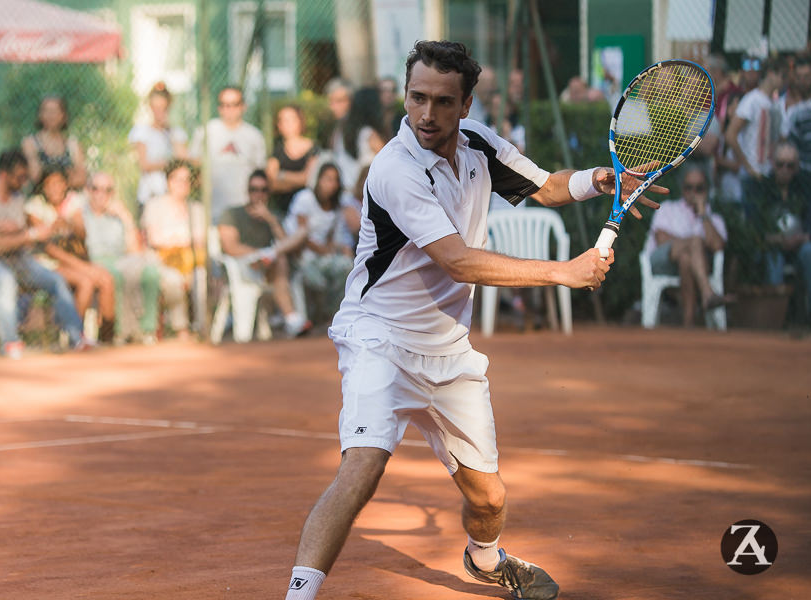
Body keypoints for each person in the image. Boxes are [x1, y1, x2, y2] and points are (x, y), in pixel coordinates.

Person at [283, 40, 663, 600]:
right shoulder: (394, 168)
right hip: (379, 338)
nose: (426, 114)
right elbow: (458, 261)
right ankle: (298, 594)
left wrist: (598, 179)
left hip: (448, 351)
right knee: (362, 467)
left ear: (465, 105)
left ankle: (485, 560)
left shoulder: (480, 144)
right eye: (416, 98)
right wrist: (564, 272)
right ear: (406, 95)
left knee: (489, 500)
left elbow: (544, 187)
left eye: (442, 101)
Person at [0, 149, 86, 359]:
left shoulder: (18, 198)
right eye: (19, 177)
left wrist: (18, 232)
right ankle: (10, 343)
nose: (24, 181)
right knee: (5, 280)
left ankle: (77, 338)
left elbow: (15, 239)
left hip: (15, 257)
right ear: (3, 174)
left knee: (55, 280)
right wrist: (29, 235)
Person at [72, 172, 184, 345]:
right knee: (117, 275)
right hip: (95, 262)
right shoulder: (80, 213)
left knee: (150, 272)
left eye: (107, 190)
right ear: (88, 190)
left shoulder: (117, 216)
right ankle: (121, 332)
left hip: (122, 260)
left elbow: (134, 250)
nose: (101, 194)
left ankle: (147, 329)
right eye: (95, 189)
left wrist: (125, 217)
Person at [25, 167, 116, 343]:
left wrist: (69, 223)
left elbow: (82, 233)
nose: (55, 188)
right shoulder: (34, 206)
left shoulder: (73, 201)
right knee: (86, 281)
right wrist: (82, 267)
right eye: (50, 185)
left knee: (106, 279)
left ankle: (107, 338)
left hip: (74, 260)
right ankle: (73, 335)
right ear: (43, 187)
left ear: (65, 185)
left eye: (59, 183)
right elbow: (48, 248)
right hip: (47, 264)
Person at [217, 170, 311, 338]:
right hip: (242, 267)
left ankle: (290, 318)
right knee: (278, 257)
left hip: (271, 268)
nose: (258, 194)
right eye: (254, 189)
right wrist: (260, 254)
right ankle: (291, 318)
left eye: (263, 190)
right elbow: (230, 247)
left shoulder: (273, 217)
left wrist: (271, 220)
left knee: (281, 256)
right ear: (248, 191)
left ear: (268, 192)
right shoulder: (232, 213)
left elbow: (288, 246)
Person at [643, 166, 733, 327]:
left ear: (707, 190)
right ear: (682, 189)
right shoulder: (668, 208)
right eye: (689, 187)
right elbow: (662, 239)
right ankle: (707, 293)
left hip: (694, 266)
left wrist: (703, 214)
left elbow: (718, 246)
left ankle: (688, 325)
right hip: (662, 261)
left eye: (699, 188)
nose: (693, 192)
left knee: (685, 259)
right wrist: (694, 244)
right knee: (696, 242)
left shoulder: (714, 218)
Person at [743, 141, 811, 317]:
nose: (785, 169)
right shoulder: (761, 188)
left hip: (801, 244)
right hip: (771, 245)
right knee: (774, 259)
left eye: (790, 165)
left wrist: (801, 239)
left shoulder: (805, 187)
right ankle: (775, 318)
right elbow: (755, 230)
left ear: (797, 167)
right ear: (773, 164)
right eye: (781, 164)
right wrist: (778, 240)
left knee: (808, 252)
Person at [283, 162, 355, 321]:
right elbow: (300, 235)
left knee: (347, 266)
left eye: (335, 180)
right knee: (318, 281)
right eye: (328, 179)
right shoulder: (305, 198)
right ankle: (315, 318)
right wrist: (323, 251)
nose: (332, 184)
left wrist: (336, 251)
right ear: (318, 180)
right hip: (301, 257)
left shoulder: (337, 206)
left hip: (323, 257)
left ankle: (334, 317)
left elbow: (331, 238)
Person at [141, 160, 204, 340]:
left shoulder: (196, 208)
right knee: (174, 279)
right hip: (162, 261)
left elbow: (200, 240)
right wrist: (182, 241)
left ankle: (202, 328)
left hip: (190, 261)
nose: (182, 184)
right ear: (168, 181)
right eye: (177, 179)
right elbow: (155, 240)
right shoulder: (154, 205)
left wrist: (175, 240)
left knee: (201, 277)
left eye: (186, 180)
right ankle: (181, 328)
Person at [190, 86, 266, 222]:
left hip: (244, 212)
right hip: (211, 210)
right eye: (224, 105)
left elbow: (260, 175)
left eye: (234, 105)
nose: (229, 109)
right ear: (219, 108)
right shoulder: (205, 132)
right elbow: (194, 167)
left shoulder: (254, 136)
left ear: (243, 106)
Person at [128, 82, 189, 213]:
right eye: (156, 108)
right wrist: (170, 163)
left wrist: (169, 131)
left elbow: (182, 161)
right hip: (149, 194)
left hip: (172, 195)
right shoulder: (141, 132)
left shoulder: (176, 133)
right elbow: (145, 164)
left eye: (163, 108)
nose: (159, 112)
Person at [725, 58, 784, 185]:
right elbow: (731, 134)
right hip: (751, 174)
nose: (782, 81)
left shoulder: (775, 104)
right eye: (781, 76)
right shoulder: (752, 100)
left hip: (768, 172)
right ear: (770, 73)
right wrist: (747, 166)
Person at [21, 95, 87, 190]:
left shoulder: (72, 144)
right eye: (46, 111)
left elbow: (81, 179)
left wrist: (54, 183)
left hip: (67, 200)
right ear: (40, 114)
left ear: (63, 115)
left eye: (55, 111)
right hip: (39, 200)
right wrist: (67, 175)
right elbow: (35, 176)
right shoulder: (30, 143)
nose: (51, 115)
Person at [266, 104, 319, 217]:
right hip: (282, 211)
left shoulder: (313, 147)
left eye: (291, 120)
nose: (287, 124)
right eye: (283, 120)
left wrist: (281, 175)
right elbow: (271, 183)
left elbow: (308, 178)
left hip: (307, 213)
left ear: (300, 121)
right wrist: (298, 180)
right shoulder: (277, 150)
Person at [335, 86, 387, 191]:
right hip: (363, 194)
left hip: (344, 191)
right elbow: (389, 163)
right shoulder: (370, 135)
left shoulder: (341, 131)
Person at [782, 54, 811, 171]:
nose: (802, 81)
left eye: (807, 76)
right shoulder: (793, 112)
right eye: (799, 77)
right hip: (801, 175)